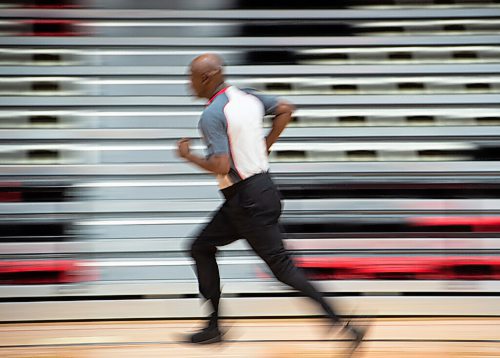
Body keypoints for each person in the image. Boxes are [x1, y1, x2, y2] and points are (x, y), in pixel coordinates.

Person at [177, 53, 366, 352]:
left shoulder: (212, 115)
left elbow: (221, 165)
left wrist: (188, 157)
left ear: (205, 77)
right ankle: (214, 327)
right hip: (259, 192)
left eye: (190, 76)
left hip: (246, 201)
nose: (187, 82)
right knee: (200, 247)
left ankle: (345, 326)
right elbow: (286, 109)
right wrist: (267, 143)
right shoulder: (248, 97)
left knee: (283, 269)